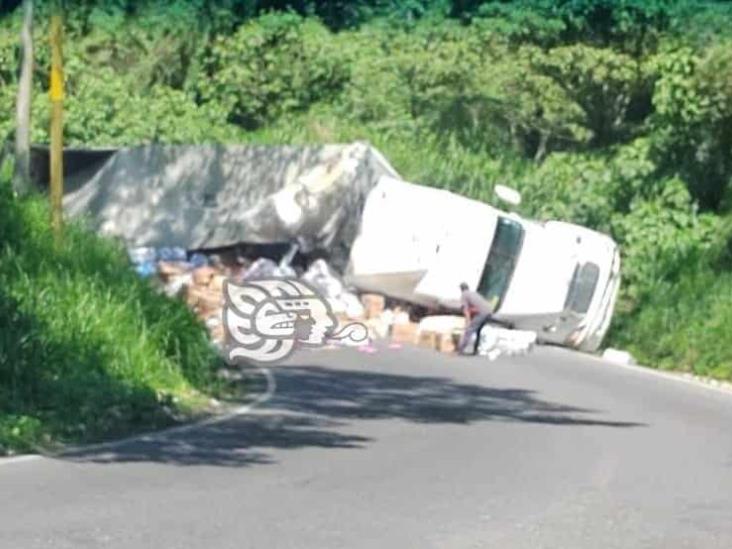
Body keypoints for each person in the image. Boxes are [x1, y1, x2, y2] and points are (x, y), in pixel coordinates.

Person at [457, 282, 495, 355]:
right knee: (478, 330)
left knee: (469, 330)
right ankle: (475, 350)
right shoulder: (473, 293)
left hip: (482, 312)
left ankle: (460, 349)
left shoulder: (464, 295)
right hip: (489, 310)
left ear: (461, 289)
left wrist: (467, 322)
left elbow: (466, 310)